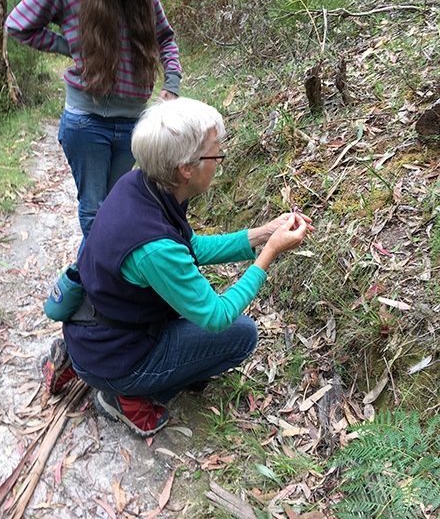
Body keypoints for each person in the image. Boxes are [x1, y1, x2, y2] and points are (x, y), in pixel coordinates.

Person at [42, 97, 314, 438]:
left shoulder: (138, 184)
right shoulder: (155, 248)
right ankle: (122, 397)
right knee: (242, 336)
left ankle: (80, 363)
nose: (220, 161)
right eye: (217, 154)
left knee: (188, 319)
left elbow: (191, 247)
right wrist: (269, 254)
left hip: (92, 328)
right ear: (186, 168)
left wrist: (261, 234)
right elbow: (216, 316)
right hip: (115, 352)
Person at [5, 0, 181, 248]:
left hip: (132, 123)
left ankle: (94, 284)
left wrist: (171, 84)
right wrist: (67, 46)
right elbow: (18, 23)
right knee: (94, 211)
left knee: (115, 210)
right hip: (87, 123)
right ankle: (98, 287)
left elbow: (166, 39)